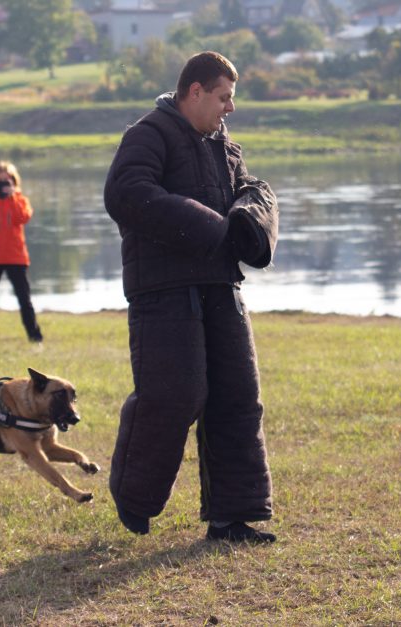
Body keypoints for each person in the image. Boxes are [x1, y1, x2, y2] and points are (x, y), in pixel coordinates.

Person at [103, 51, 280, 543]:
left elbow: (249, 189)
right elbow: (126, 193)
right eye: (224, 98)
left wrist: (250, 215)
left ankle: (230, 520)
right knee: (174, 394)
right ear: (195, 92)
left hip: (220, 287)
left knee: (236, 398)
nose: (230, 109)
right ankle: (134, 498)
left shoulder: (224, 146)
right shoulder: (147, 134)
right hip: (163, 292)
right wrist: (210, 226)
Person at [0, 161, 43, 345]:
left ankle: (35, 336)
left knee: (24, 299)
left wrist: (11, 196)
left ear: (14, 182)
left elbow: (23, 217)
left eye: (6, 181)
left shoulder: (21, 200)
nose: (2, 184)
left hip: (16, 257)